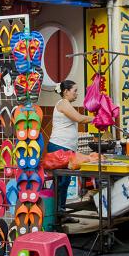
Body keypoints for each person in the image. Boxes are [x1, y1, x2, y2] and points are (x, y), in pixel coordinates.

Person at [48, 80, 94, 222]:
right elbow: (79, 118)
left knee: (64, 181)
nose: (77, 93)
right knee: (61, 181)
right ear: (66, 91)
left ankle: (61, 213)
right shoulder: (63, 103)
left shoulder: (66, 104)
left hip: (65, 148)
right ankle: (55, 215)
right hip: (59, 147)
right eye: (74, 90)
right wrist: (97, 119)